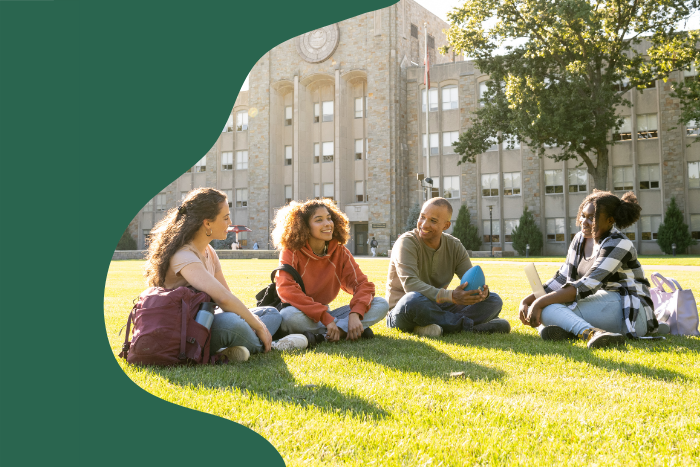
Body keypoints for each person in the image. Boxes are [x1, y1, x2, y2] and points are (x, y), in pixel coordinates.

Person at [144, 188, 308, 363]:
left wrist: (253, 322)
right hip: (183, 332)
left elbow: (227, 295)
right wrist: (257, 326)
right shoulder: (183, 256)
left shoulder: (209, 251)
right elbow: (222, 299)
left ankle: (229, 349)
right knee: (233, 323)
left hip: (206, 321)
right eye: (225, 217)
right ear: (207, 223)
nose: (230, 222)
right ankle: (273, 345)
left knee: (271, 313)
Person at [518, 190, 663, 349]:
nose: (584, 222)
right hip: (602, 303)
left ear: (610, 220)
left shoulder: (618, 244)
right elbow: (562, 278)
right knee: (548, 308)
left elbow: (587, 285)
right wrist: (528, 300)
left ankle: (593, 334)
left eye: (591, 218)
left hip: (629, 309)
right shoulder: (579, 239)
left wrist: (539, 303)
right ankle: (575, 330)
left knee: (547, 310)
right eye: (583, 216)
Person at [385, 198, 509, 337]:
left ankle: (435, 326)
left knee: (493, 300)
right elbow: (411, 286)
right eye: (422, 217)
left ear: (446, 225)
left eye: (433, 221)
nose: (424, 224)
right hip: (404, 309)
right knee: (413, 300)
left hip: (439, 307)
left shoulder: (454, 245)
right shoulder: (406, 242)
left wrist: (481, 293)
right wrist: (451, 296)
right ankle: (472, 326)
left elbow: (471, 281)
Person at [271, 198, 390, 343]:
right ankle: (347, 330)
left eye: (329, 218)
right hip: (303, 313)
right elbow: (286, 289)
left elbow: (362, 285)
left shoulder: (340, 251)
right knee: (289, 316)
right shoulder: (291, 251)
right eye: (319, 220)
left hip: (326, 315)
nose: (327, 223)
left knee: (380, 304)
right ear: (304, 227)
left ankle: (324, 336)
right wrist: (325, 318)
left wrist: (355, 314)